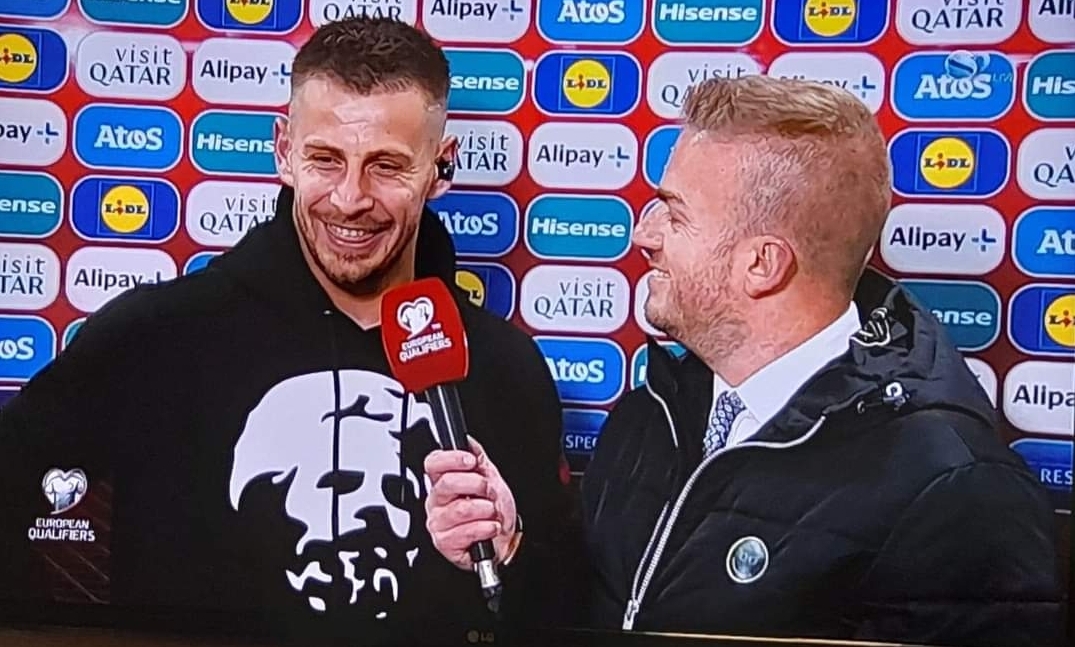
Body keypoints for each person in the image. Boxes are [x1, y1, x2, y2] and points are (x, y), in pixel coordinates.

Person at [424, 76, 1064, 647]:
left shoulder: (956, 492)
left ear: (762, 264)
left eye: (674, 213)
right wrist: (513, 550)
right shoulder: (654, 411)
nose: (643, 234)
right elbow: (594, 615)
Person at [0, 17, 575, 646]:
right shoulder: (156, 337)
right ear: (283, 152)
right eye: (325, 159)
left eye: (386, 166)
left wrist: (510, 551)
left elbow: (560, 610)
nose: (350, 199)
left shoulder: (503, 367)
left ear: (441, 168)